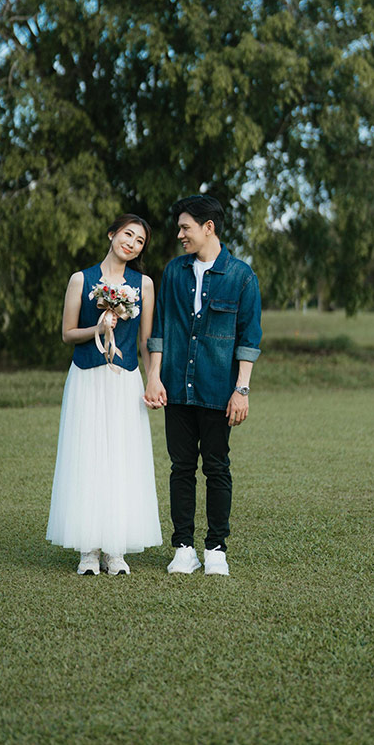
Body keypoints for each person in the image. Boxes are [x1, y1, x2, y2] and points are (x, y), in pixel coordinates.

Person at [143, 195, 261, 577]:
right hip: (176, 388)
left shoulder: (242, 276)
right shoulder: (174, 273)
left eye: (185, 227)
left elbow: (249, 338)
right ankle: (183, 548)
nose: (180, 235)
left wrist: (241, 389)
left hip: (217, 389)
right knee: (180, 468)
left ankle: (215, 549)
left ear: (208, 227)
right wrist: (154, 376)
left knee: (217, 467)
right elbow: (160, 329)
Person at [46, 214, 162, 576]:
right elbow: (67, 333)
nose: (132, 243)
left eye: (140, 241)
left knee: (121, 458)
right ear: (112, 234)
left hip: (124, 380)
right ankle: (89, 550)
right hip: (86, 378)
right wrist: (97, 328)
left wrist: (152, 379)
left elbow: (146, 340)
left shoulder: (144, 285)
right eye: (127, 234)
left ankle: (115, 549)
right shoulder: (81, 279)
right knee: (87, 456)